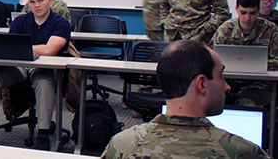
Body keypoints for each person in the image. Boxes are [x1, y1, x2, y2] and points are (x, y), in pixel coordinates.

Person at [101, 40, 269, 159]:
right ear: (202, 84)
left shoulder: (122, 144)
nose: (227, 86)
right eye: (221, 76)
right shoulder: (242, 151)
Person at [0, 0, 71, 150]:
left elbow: (50, 50)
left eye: (41, 0)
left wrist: (25, 48)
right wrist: (32, 48)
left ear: (50, 0)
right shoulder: (20, 20)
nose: (37, 5)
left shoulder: (61, 23)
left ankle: (43, 133)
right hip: (19, 67)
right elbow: (12, 47)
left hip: (44, 69)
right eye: (32, 2)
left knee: (44, 83)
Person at [212, 0, 278, 108]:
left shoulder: (271, 30)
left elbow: (277, 61)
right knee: (212, 101)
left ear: (258, 11)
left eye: (252, 13)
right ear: (236, 8)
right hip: (228, 82)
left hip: (259, 84)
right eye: (243, 13)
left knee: (247, 104)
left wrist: (256, 65)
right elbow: (211, 58)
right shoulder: (225, 30)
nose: (247, 18)